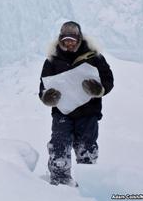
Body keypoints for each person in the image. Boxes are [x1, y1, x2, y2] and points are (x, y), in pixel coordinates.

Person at [39, 21, 114, 186]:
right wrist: (47, 97)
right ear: (60, 40)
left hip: (88, 113)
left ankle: (87, 186)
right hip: (62, 113)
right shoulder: (52, 60)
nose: (69, 43)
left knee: (86, 149)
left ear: (79, 39)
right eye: (66, 40)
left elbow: (108, 79)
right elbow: (43, 87)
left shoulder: (94, 57)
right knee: (59, 147)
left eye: (72, 40)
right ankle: (60, 183)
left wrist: (99, 89)